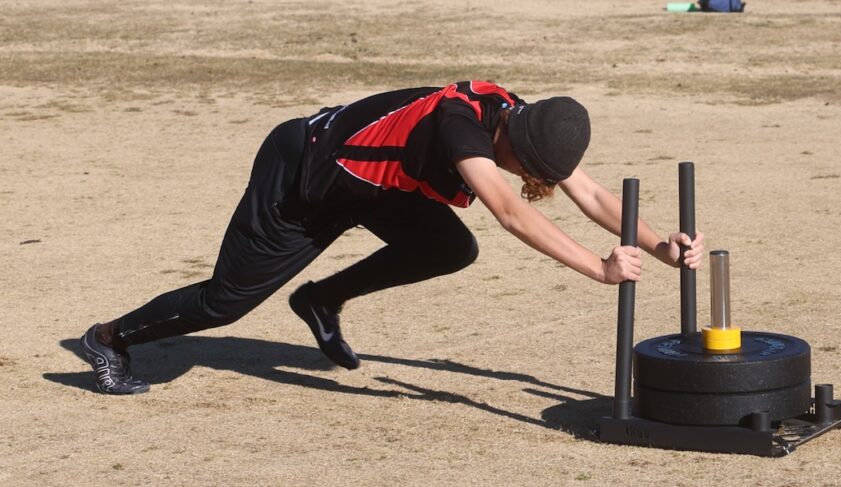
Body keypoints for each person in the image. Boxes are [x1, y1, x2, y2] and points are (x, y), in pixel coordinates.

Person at [79, 80, 706, 395]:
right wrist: (598, 269)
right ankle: (109, 339)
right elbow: (512, 214)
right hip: (302, 178)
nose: (532, 178)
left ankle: (320, 300)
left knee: (450, 247)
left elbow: (593, 194)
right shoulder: (463, 126)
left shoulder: (523, 120)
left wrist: (659, 248)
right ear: (511, 144)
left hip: (377, 191)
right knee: (225, 303)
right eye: (530, 169)